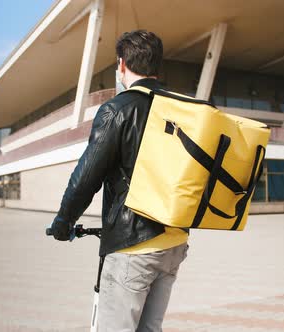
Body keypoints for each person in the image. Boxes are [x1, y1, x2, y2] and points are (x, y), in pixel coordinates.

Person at [50, 30, 189, 332]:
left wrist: (63, 222)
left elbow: (86, 178)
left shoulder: (118, 109)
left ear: (122, 65)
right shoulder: (179, 109)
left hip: (132, 246)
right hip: (174, 241)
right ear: (156, 66)